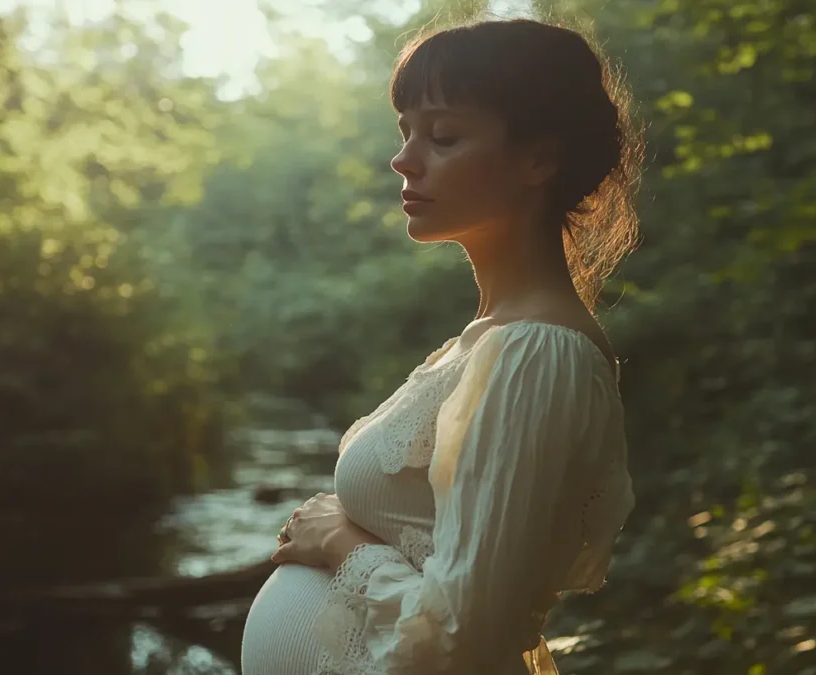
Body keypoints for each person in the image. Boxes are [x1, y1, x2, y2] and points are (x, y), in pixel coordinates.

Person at [240, 15, 641, 675]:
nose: (404, 159)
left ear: (539, 159)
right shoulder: (487, 339)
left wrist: (341, 542)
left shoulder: (538, 354)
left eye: (444, 136)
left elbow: (468, 636)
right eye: (406, 134)